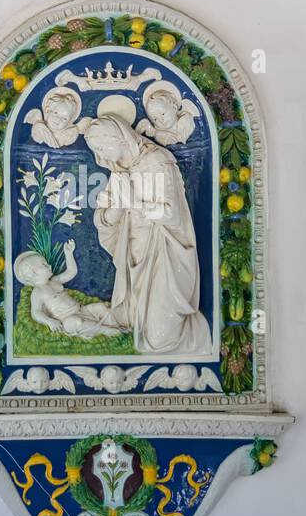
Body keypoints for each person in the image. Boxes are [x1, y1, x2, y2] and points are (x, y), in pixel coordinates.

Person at [85, 115, 212, 354]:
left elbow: (171, 214)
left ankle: (201, 332)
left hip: (165, 255)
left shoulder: (158, 161)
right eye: (96, 150)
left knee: (158, 341)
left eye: (102, 147)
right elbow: (102, 217)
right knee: (132, 324)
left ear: (119, 138)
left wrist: (134, 202)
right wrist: (117, 209)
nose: (100, 155)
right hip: (133, 257)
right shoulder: (120, 171)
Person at [13, 240, 123, 338]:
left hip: (81, 310)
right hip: (66, 319)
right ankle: (106, 331)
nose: (49, 265)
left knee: (99, 307)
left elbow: (71, 272)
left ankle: (117, 325)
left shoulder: (54, 281)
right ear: (33, 272)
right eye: (44, 265)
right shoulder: (38, 292)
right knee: (75, 322)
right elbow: (36, 313)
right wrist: (50, 322)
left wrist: (69, 254)